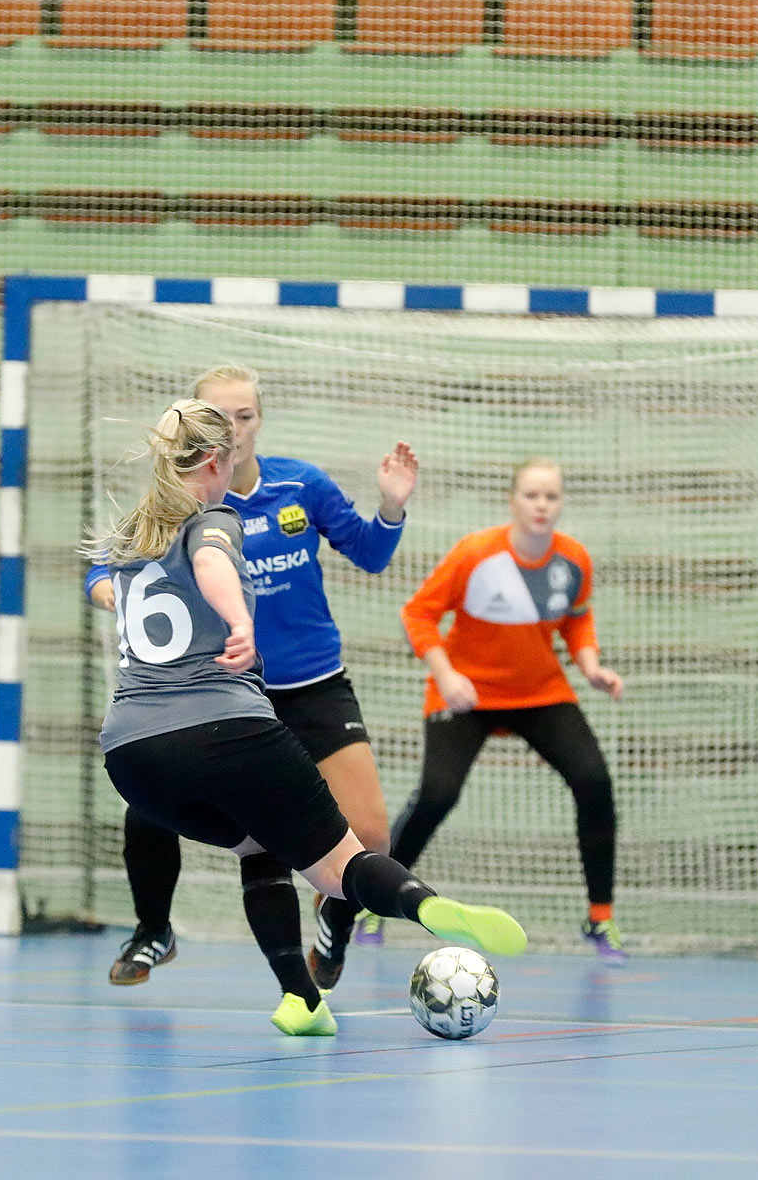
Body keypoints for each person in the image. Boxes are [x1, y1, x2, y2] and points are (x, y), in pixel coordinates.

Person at [87, 399, 525, 1036]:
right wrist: (240, 621)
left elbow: (115, 584)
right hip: (229, 728)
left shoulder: (130, 531)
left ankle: (303, 1001)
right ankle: (424, 905)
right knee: (341, 865)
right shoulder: (214, 517)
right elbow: (210, 558)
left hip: (130, 754)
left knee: (260, 843)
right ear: (215, 461)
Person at [86, 364, 415, 992]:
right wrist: (110, 592)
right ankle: (153, 930)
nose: (236, 430)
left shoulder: (300, 485)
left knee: (370, 834)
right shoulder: (174, 509)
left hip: (311, 683)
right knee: (150, 810)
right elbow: (105, 568)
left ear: (259, 420)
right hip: (219, 694)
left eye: (246, 416)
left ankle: (333, 932)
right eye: (222, 418)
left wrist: (392, 508)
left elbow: (370, 554)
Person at [391, 457, 628, 964]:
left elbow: (577, 621)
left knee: (594, 781)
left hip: (540, 692)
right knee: (437, 794)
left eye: (551, 497)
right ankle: (375, 899)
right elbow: (419, 614)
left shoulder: (573, 561)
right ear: (513, 500)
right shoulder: (476, 555)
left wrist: (591, 668)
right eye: (532, 495)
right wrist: (447, 675)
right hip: (466, 694)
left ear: (561, 503)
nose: (542, 505)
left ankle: (600, 916)